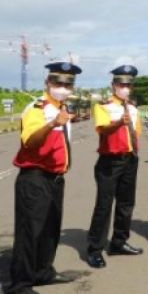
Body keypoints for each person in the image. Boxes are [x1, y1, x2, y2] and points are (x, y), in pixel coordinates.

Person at [8, 62, 82, 294]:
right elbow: (30, 141)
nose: (63, 87)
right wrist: (52, 124)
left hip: (55, 179)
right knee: (30, 232)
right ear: (47, 83)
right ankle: (20, 284)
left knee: (50, 228)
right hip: (35, 178)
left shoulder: (62, 108)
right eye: (57, 82)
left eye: (68, 83)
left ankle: (42, 272)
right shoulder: (37, 109)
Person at [86, 65, 143, 269]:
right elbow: (103, 129)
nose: (125, 87)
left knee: (126, 204)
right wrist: (119, 123)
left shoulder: (134, 109)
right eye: (121, 84)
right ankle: (94, 249)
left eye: (128, 84)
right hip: (110, 161)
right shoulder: (103, 106)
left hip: (130, 159)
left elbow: (136, 134)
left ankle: (119, 242)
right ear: (113, 85)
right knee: (104, 205)